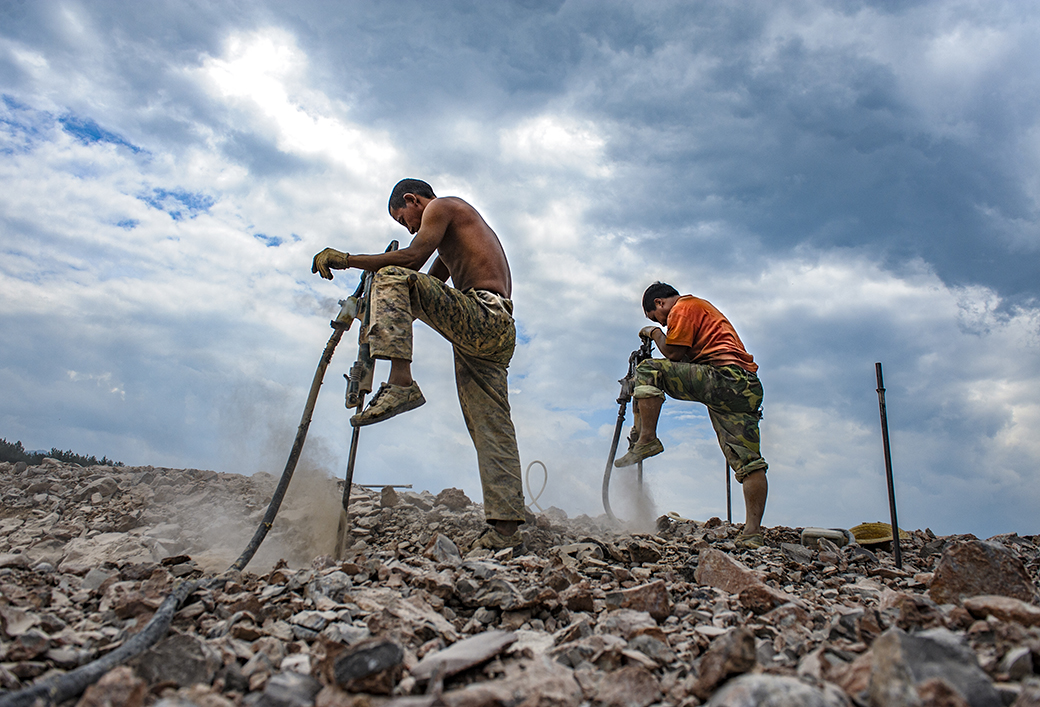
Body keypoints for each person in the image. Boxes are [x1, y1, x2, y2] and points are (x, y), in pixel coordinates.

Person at [311, 179, 525, 552]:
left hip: (484, 312)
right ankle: (504, 528)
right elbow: (423, 290)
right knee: (490, 423)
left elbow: (408, 265)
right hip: (497, 328)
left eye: (403, 217)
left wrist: (346, 260)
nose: (410, 228)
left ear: (413, 200)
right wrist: (371, 312)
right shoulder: (453, 239)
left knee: (391, 274)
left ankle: (401, 383)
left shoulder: (443, 206)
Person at [616, 282, 769, 549]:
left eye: (657, 317)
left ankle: (648, 439)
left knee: (649, 369)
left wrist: (653, 333)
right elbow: (686, 358)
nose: (662, 324)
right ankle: (752, 532)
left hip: (724, 376)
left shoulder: (683, 308)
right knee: (748, 462)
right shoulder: (700, 311)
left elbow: (673, 353)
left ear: (660, 303)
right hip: (745, 386)